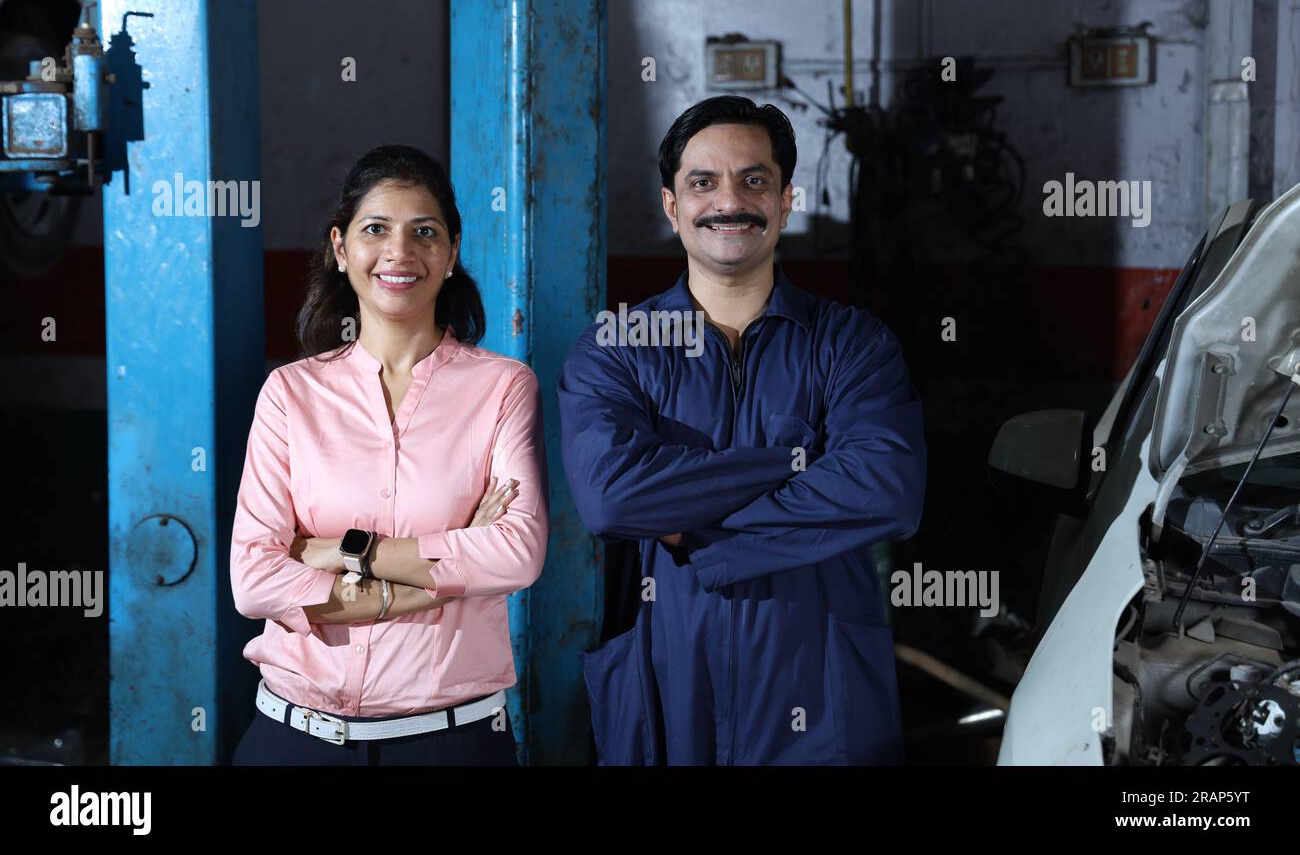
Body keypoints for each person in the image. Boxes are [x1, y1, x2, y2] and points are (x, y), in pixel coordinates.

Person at [558, 96, 926, 765]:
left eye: (755, 179)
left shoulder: (851, 344)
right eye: (703, 182)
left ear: (787, 201)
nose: (730, 200)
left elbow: (889, 488)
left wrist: (694, 531)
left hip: (820, 685)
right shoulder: (617, 347)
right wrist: (795, 462)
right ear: (673, 207)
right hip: (666, 678)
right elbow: (612, 498)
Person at [230, 144, 547, 765]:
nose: (399, 253)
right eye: (376, 229)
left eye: (423, 233)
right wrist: (438, 577)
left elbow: (517, 552)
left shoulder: (502, 387)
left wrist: (341, 551)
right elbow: (254, 580)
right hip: (295, 741)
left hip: (449, 744)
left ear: (452, 252)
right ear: (342, 248)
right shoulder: (291, 394)